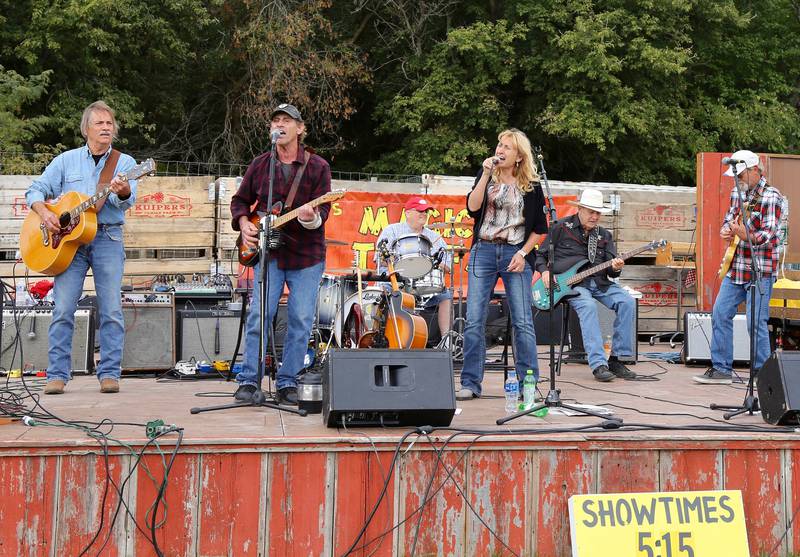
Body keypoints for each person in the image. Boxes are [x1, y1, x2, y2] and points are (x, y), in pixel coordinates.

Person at [25, 101, 138, 394]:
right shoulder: (66, 160)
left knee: (111, 309)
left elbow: (127, 200)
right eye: (99, 123)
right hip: (68, 245)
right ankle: (57, 375)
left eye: (109, 124)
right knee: (62, 308)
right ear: (86, 129)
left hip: (107, 238)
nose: (106, 128)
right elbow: (35, 190)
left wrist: (123, 191)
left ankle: (110, 373)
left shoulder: (123, 163)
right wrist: (45, 213)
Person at [230, 103, 332, 405]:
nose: (280, 125)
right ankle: (249, 380)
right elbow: (240, 201)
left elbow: (323, 210)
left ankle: (288, 381)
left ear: (300, 129)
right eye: (275, 121)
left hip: (306, 256)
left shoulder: (318, 167)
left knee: (300, 319)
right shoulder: (261, 164)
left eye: (287, 120)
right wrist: (245, 222)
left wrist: (309, 217)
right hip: (268, 254)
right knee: (261, 316)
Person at [456, 128, 548, 400]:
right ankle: (470, 383)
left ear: (519, 155)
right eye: (499, 145)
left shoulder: (531, 185)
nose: (500, 150)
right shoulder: (487, 175)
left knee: (522, 321)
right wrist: (484, 174)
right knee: (474, 319)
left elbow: (540, 228)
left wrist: (523, 253)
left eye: (507, 147)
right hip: (483, 250)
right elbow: (472, 209)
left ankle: (527, 383)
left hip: (515, 253)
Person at [693, 150, 783, 384]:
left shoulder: (771, 196)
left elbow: (768, 236)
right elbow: (730, 219)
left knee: (756, 323)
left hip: (760, 269)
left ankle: (762, 375)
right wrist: (726, 229)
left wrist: (744, 234)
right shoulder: (737, 192)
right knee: (720, 313)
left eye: (741, 174)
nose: (737, 178)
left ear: (755, 170)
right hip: (736, 267)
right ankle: (721, 369)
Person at [535, 189, 637, 382]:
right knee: (588, 306)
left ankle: (617, 358)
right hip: (572, 286)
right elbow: (541, 255)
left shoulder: (604, 235)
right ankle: (598, 364)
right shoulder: (560, 227)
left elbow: (611, 270)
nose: (595, 216)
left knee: (627, 302)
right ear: (580, 209)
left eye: (598, 212)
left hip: (600, 282)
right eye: (591, 211)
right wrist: (545, 273)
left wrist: (616, 268)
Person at [374, 196, 453, 343]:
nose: (423, 214)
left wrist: (431, 262)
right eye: (419, 211)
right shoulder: (392, 231)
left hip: (422, 283)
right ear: (407, 213)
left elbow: (448, 267)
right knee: (382, 290)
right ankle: (379, 337)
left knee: (445, 295)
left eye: (425, 212)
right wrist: (393, 261)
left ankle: (446, 342)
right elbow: (379, 260)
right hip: (395, 281)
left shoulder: (434, 237)